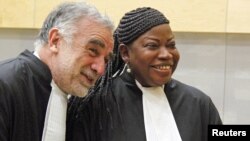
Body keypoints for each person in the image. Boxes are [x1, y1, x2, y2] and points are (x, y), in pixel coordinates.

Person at [67, 7, 222, 141]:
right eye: (152, 46)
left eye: (171, 45)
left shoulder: (199, 103)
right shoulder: (96, 104)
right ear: (125, 53)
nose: (166, 54)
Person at [0, 2, 114, 141]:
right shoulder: (5, 84)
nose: (100, 69)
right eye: (92, 50)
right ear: (55, 41)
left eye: (106, 60)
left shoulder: (70, 95)